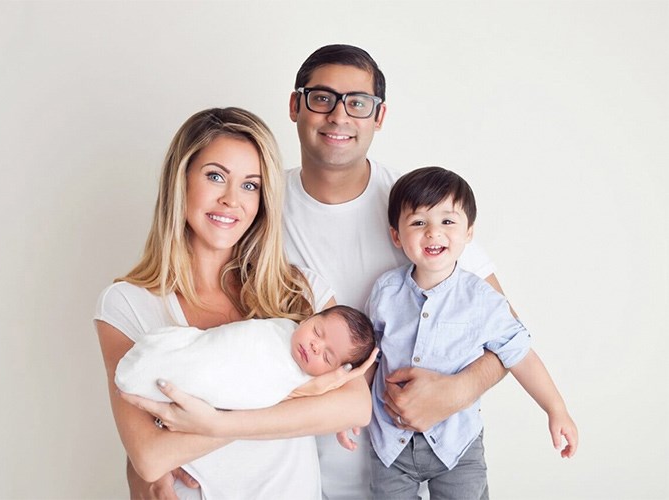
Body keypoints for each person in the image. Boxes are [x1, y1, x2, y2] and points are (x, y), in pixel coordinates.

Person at [95, 107, 377, 500]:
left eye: (250, 185)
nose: (232, 200)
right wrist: (297, 397)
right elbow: (149, 456)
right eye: (215, 177)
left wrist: (211, 425)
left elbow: (355, 406)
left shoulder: (300, 290)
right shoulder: (126, 305)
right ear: (181, 180)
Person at [283, 44, 509, 499]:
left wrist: (455, 392)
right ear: (296, 105)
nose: (339, 116)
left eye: (358, 102)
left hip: (418, 475)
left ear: (378, 116)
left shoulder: (419, 211)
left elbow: (507, 333)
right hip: (293, 474)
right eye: (322, 97)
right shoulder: (261, 206)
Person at [367, 166, 579, 499]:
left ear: (468, 232)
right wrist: (352, 408)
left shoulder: (482, 299)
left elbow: (519, 353)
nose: (433, 233)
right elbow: (370, 359)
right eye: (419, 222)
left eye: (447, 222)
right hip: (390, 444)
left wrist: (556, 409)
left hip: (457, 445)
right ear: (396, 235)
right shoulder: (385, 291)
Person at [115, 305, 375, 409]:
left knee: (197, 374)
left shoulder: (299, 382)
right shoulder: (279, 327)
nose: (316, 346)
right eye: (317, 332)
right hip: (208, 350)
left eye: (328, 357)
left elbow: (255, 391)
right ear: (308, 319)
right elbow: (230, 340)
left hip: (213, 380)